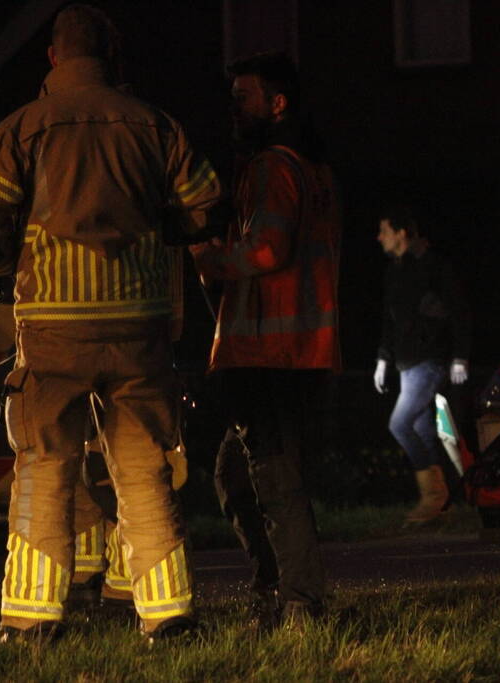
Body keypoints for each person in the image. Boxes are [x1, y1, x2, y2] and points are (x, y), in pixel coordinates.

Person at [0, 4, 222, 644]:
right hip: (138, 324)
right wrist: (155, 232)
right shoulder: (156, 125)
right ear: (111, 56)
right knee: (143, 468)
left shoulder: (22, 128)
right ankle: (168, 615)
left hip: (53, 326)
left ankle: (31, 622)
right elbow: (205, 206)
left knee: (44, 465)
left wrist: (8, 259)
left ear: (53, 57)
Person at [190, 52, 341, 628]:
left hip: (267, 353)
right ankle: (279, 592)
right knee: (237, 475)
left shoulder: (272, 168)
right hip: (302, 351)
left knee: (272, 479)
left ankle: (299, 604)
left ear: (277, 104)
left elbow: (267, 250)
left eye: (243, 97)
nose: (233, 107)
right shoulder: (315, 171)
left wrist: (209, 258)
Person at [373, 206, 472, 525]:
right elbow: (389, 320)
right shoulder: (394, 271)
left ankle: (435, 497)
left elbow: (458, 311)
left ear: (401, 233)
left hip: (429, 360)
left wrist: (460, 356)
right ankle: (441, 503)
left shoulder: (432, 265)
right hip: (407, 363)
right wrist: (383, 359)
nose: (379, 238)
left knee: (399, 424)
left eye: (384, 231)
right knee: (422, 430)